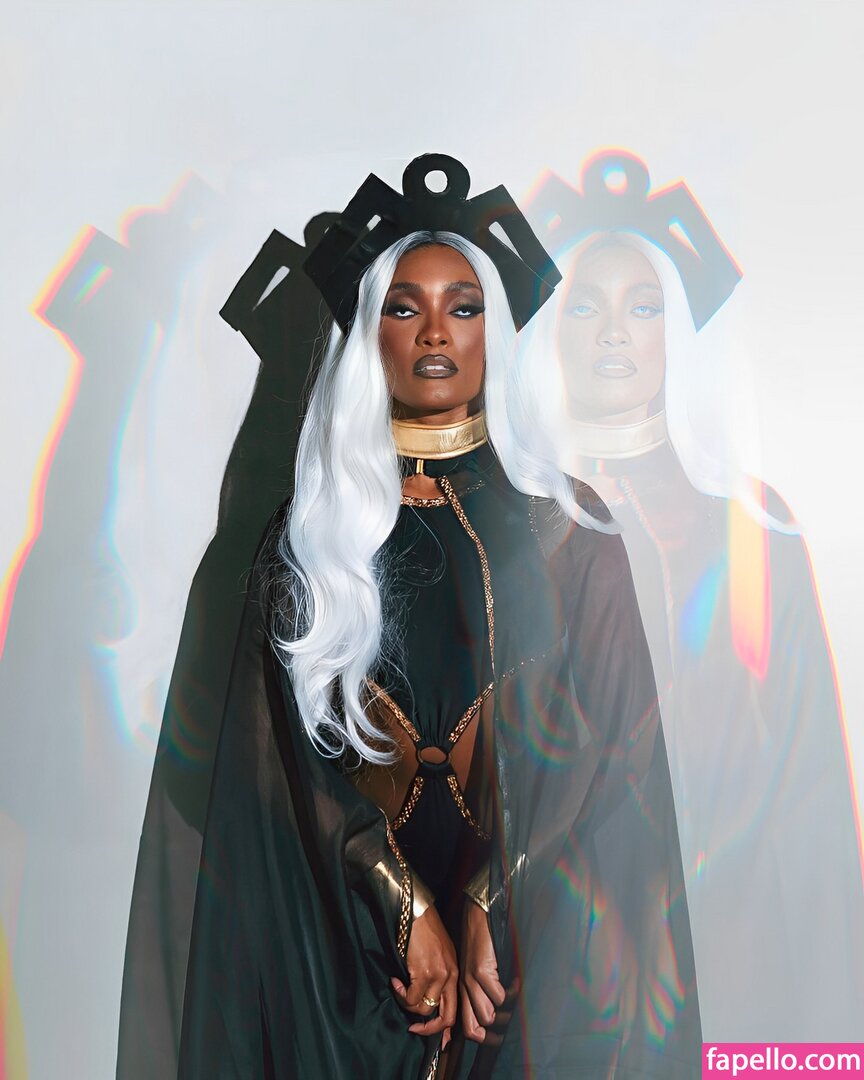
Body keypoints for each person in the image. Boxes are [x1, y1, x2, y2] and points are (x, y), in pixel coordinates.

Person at [176, 154, 701, 1078]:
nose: (434, 332)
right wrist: (404, 906)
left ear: (496, 334)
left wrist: (494, 902)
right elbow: (277, 767)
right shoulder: (308, 539)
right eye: (402, 307)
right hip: (346, 959)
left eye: (464, 307)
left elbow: (614, 741)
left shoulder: (567, 529)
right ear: (368, 337)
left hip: (533, 952)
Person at [521, 151, 864, 1040]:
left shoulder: (750, 530)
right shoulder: (510, 530)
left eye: (644, 307)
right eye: (585, 306)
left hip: (730, 946)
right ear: (550, 331)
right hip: (554, 963)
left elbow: (808, 785)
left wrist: (825, 1028)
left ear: (679, 331)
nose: (614, 334)